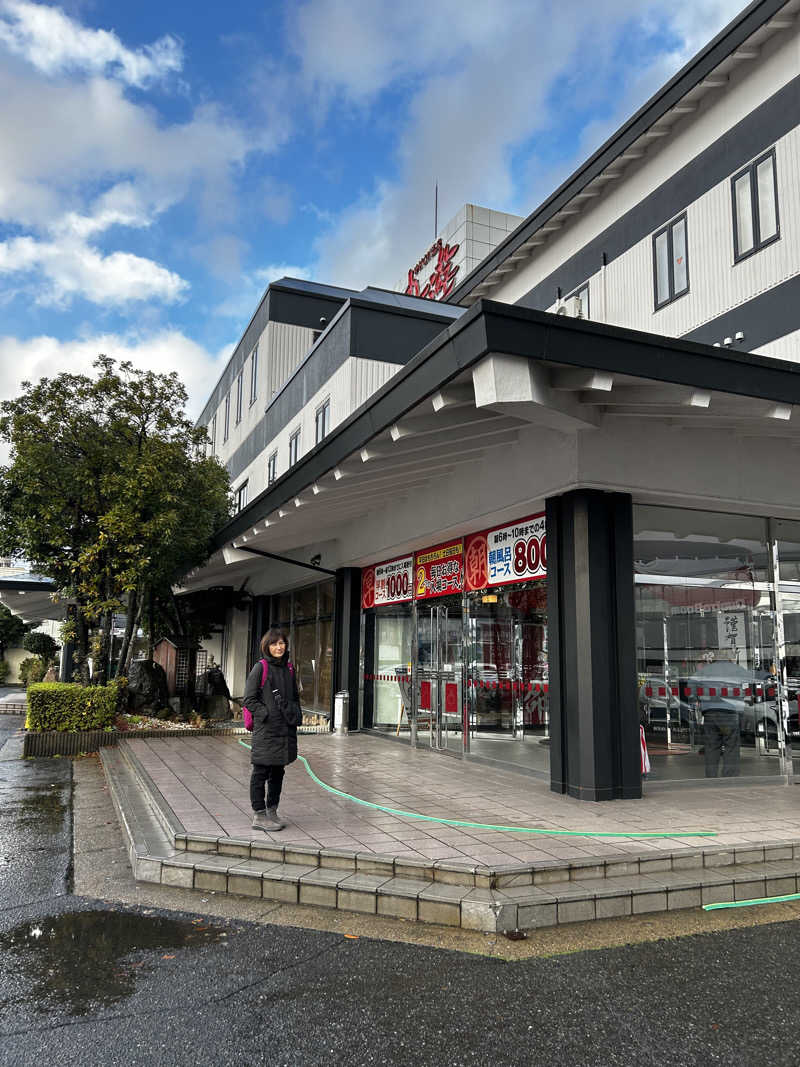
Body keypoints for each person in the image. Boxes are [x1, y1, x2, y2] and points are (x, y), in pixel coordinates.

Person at [243, 627, 303, 832]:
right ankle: (259, 814)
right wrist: (264, 714)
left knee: (278, 771)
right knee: (261, 770)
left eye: (282, 643)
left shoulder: (289, 668)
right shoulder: (260, 668)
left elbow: (294, 697)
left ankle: (272, 810)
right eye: (274, 643)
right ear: (267, 646)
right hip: (266, 730)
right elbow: (248, 699)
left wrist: (295, 715)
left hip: (285, 729)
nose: (279, 647)